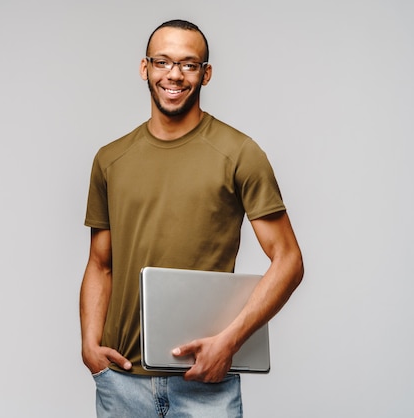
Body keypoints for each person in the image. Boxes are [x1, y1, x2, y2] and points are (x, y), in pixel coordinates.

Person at [79, 19, 304, 418]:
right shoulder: (110, 159)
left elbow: (289, 260)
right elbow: (100, 263)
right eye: (162, 61)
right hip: (121, 382)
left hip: (206, 382)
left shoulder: (239, 153)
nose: (174, 74)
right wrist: (90, 347)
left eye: (188, 64)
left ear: (206, 74)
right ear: (144, 68)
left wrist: (229, 342)